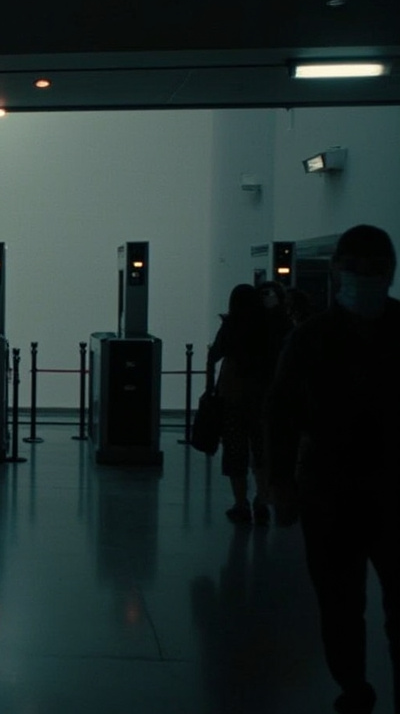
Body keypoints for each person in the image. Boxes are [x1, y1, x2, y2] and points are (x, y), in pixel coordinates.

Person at [267, 224, 400, 714]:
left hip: (356, 490)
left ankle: (355, 688)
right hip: (334, 493)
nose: (364, 278)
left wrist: (282, 479)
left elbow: (281, 412)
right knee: (340, 604)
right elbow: (281, 413)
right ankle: (354, 685)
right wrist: (280, 481)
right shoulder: (310, 338)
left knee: (349, 603)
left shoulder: (314, 337)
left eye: (374, 269)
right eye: (357, 269)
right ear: (339, 270)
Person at [207, 283, 277, 524]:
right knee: (261, 451)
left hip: (234, 396)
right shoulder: (269, 325)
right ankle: (262, 499)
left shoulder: (231, 326)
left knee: (235, 452)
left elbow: (214, 354)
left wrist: (210, 390)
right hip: (262, 398)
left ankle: (240, 503)